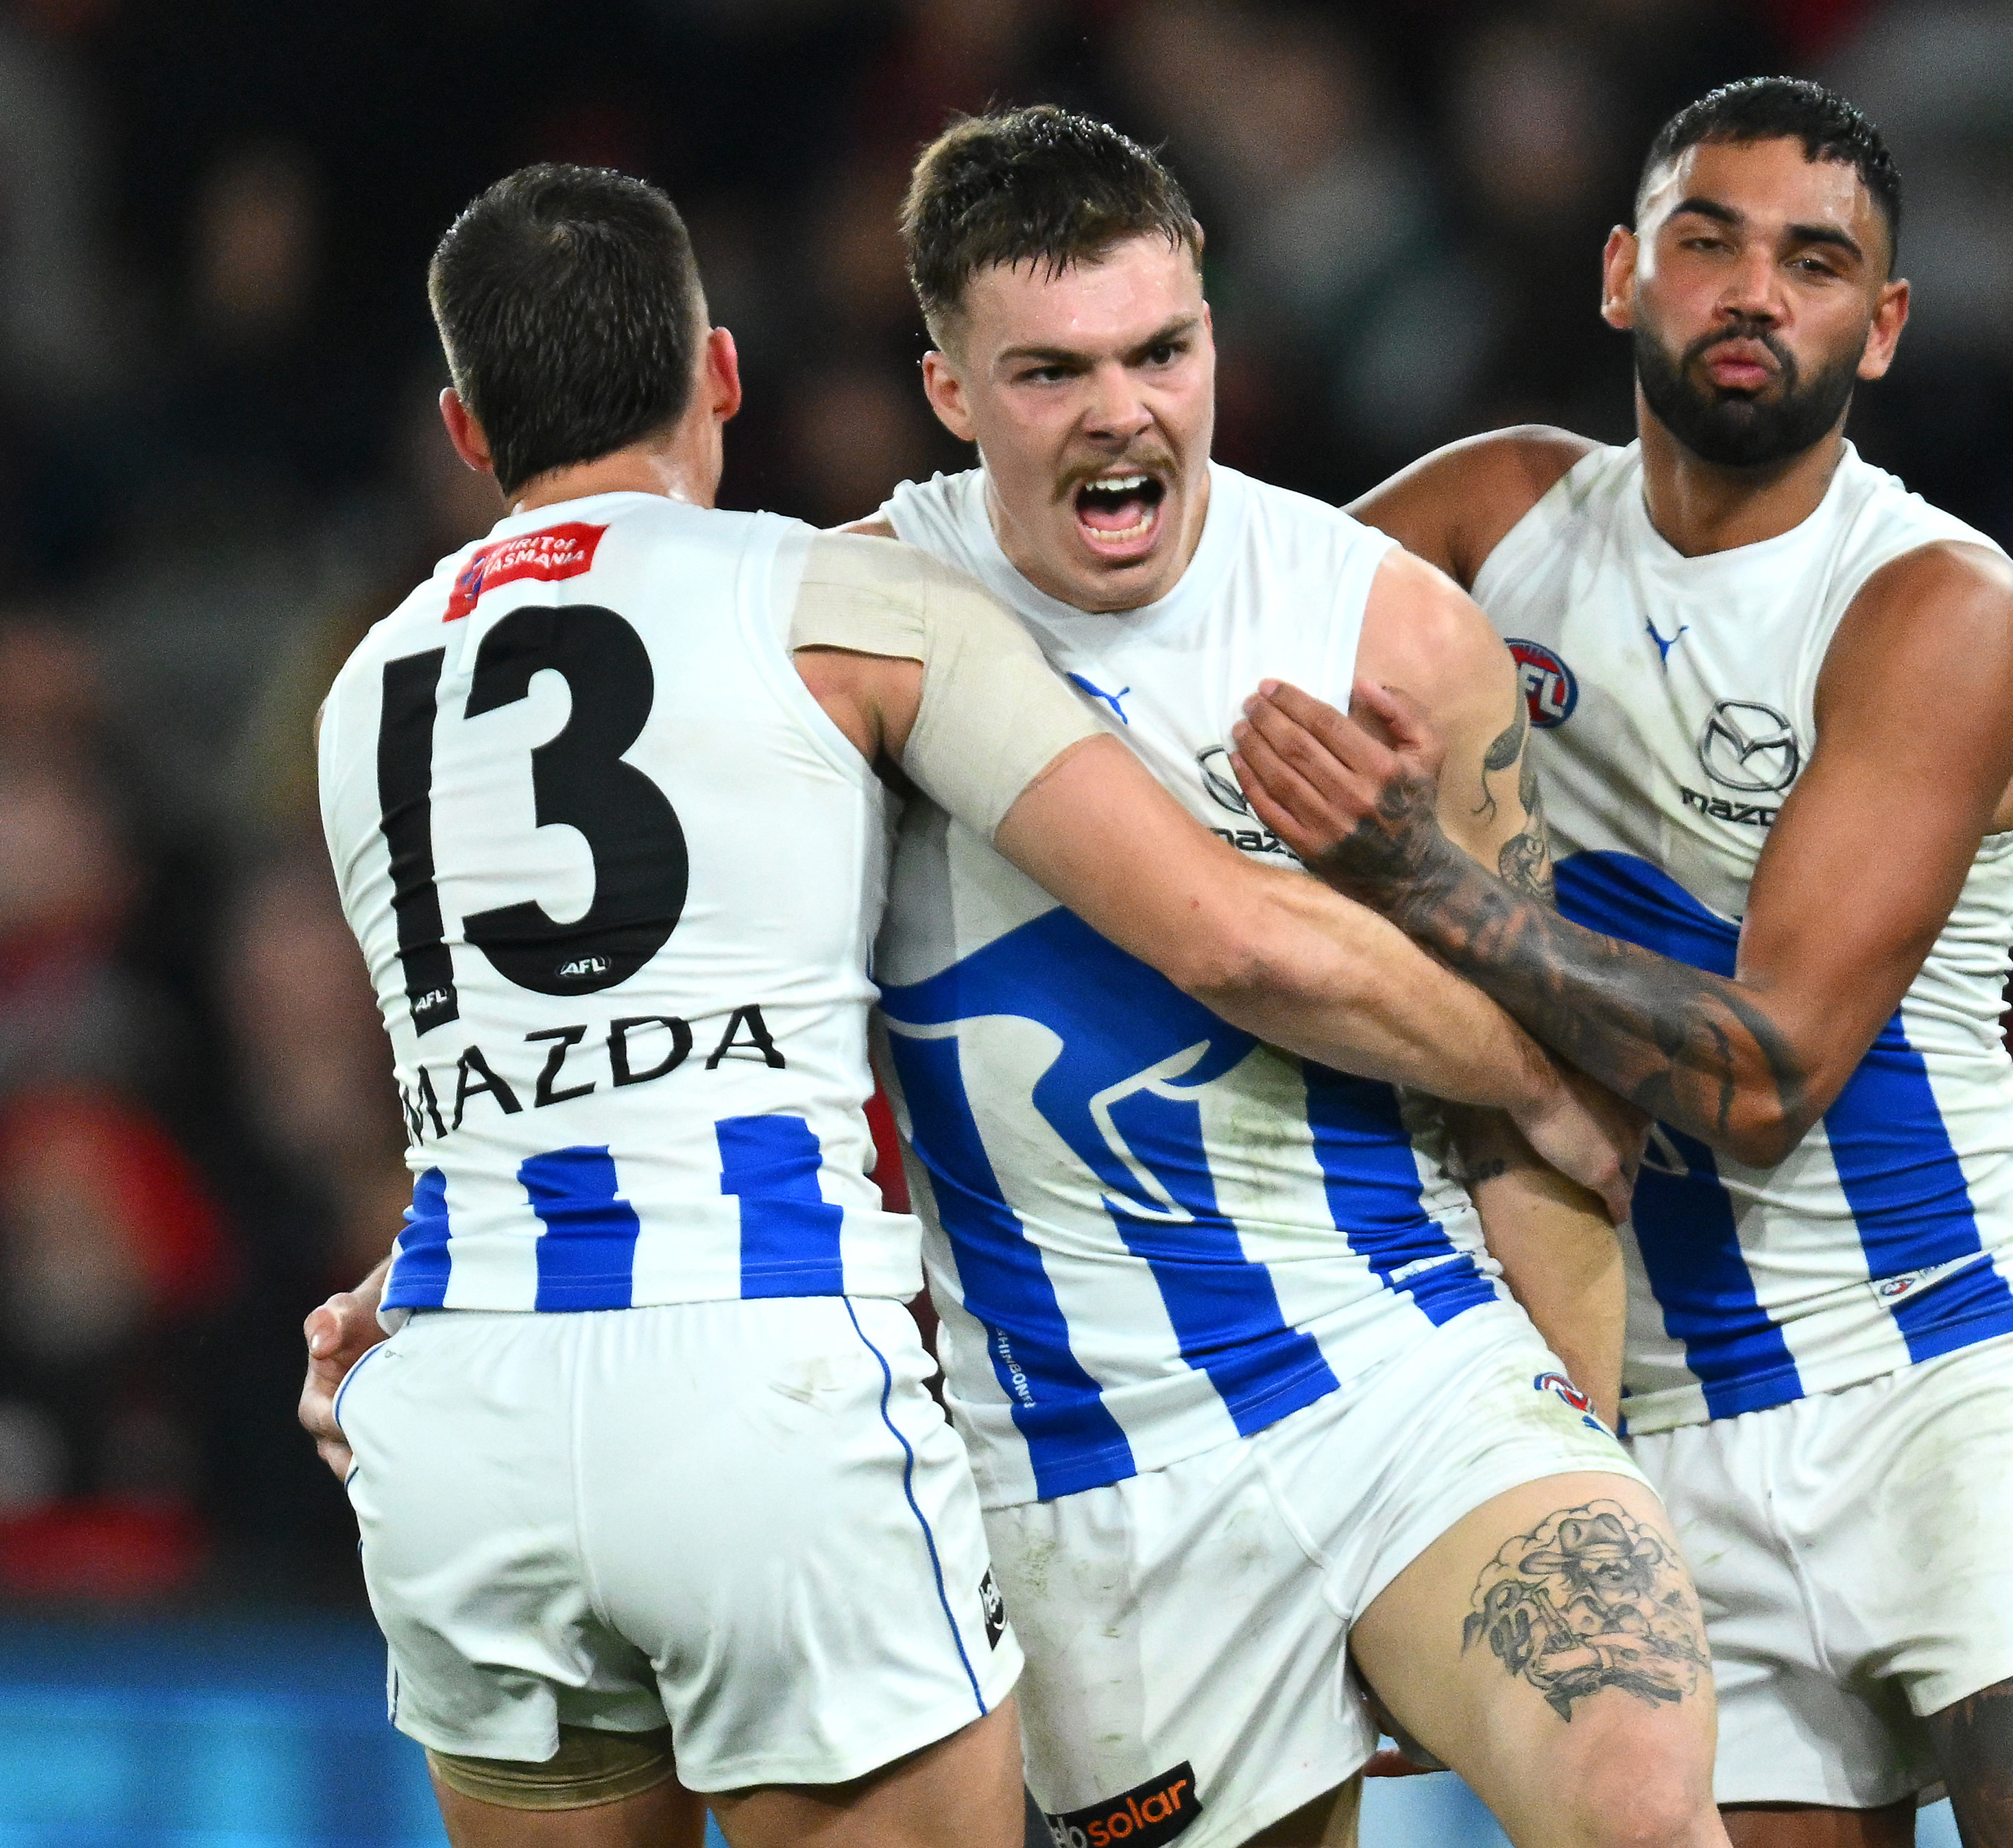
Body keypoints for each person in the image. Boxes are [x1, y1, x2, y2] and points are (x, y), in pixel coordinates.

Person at [304, 162, 1637, 1848]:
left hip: (458, 1394)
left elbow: (533, 1063)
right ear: (721, 372)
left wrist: (396, 1280)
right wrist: (1537, 1062)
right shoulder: (832, 602)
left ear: (464, 428)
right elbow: (1226, 933)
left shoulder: (364, 693)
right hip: (760, 1374)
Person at [1231, 78, 2013, 1848]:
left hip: (1951, 1384)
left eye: (1814, 263)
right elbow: (1179, 661)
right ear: (1620, 275)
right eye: (1709, 242)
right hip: (1651, 1427)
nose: (1756, 292)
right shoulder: (1489, 517)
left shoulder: (1930, 605)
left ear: (1881, 327)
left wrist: (1417, 881)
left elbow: (1762, 1079)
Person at [844, 108, 1728, 1848]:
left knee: (1638, 1794)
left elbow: (1549, 1102)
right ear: (948, 389)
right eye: (1052, 373)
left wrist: (1576, 1431)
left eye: (1165, 351)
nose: (1126, 414)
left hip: (1414, 1374)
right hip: (1097, 1477)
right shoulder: (855, 635)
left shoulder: (1384, 630)